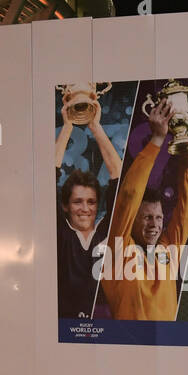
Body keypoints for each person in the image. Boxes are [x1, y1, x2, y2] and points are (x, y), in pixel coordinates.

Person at [99, 99, 188, 321]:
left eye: (158, 217)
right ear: (131, 220)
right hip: (130, 349)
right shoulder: (119, 251)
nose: (154, 225)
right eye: (146, 217)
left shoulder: (168, 252)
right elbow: (128, 196)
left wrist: (187, 150)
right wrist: (157, 139)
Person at [55, 98, 123, 318]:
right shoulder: (60, 233)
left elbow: (119, 179)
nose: (85, 208)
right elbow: (48, 177)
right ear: (65, 205)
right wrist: (67, 128)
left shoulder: (106, 231)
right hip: (65, 333)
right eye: (77, 201)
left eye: (91, 202)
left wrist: (95, 126)